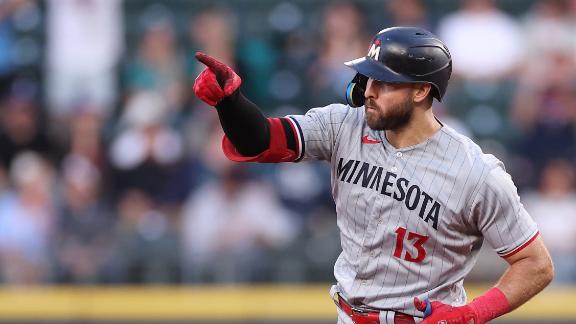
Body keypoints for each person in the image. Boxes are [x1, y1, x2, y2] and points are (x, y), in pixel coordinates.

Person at [192, 26, 554, 324]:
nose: (369, 91)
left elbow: (536, 264)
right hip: (348, 315)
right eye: (368, 78)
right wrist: (230, 102)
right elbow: (260, 139)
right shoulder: (344, 126)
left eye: (384, 82)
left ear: (421, 91)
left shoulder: (476, 174)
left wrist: (473, 314)